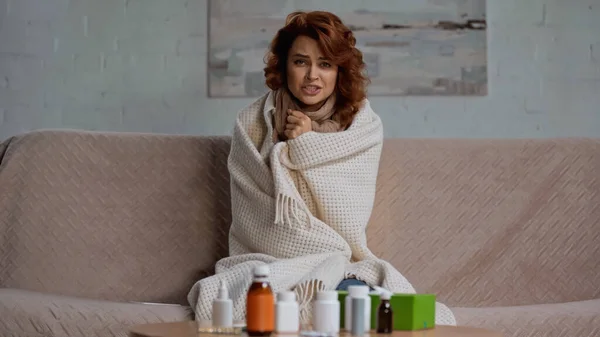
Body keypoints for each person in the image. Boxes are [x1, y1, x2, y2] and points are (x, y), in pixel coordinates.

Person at [188, 10, 456, 326]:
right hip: (269, 261)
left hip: (337, 262)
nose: (312, 75)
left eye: (325, 64)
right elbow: (254, 219)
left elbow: (347, 217)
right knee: (264, 290)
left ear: (339, 72)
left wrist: (305, 144)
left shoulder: (362, 128)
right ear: (284, 66)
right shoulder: (251, 125)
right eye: (301, 62)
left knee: (352, 292)